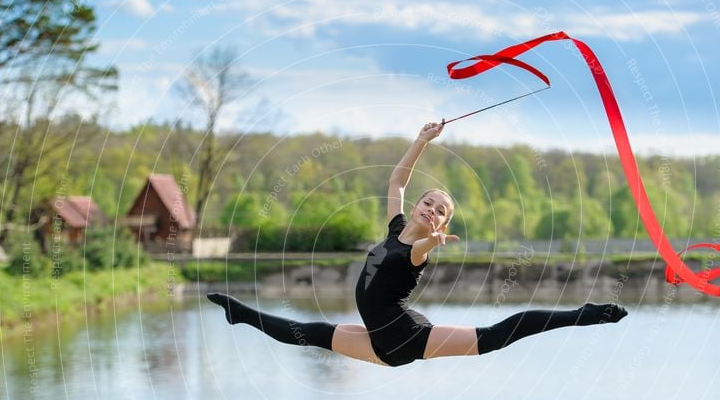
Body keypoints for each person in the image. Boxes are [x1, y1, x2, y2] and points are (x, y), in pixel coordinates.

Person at [208, 122, 627, 367]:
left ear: (443, 222)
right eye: (429, 203)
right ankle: (240, 313)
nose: (431, 209)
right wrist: (422, 140)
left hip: (404, 337)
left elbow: (419, 253)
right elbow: (397, 180)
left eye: (440, 210)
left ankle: (587, 314)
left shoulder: (417, 249)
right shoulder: (395, 229)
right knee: (310, 332)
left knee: (499, 334)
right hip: (379, 339)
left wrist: (433, 240)